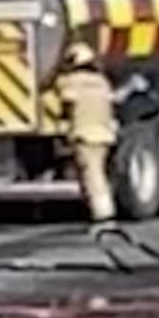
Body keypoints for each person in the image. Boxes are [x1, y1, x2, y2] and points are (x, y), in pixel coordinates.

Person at [59, 40, 119, 228]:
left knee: (92, 175)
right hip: (104, 134)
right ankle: (102, 211)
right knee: (99, 171)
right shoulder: (102, 82)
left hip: (84, 135)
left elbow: (66, 104)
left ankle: (103, 216)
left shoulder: (71, 83)